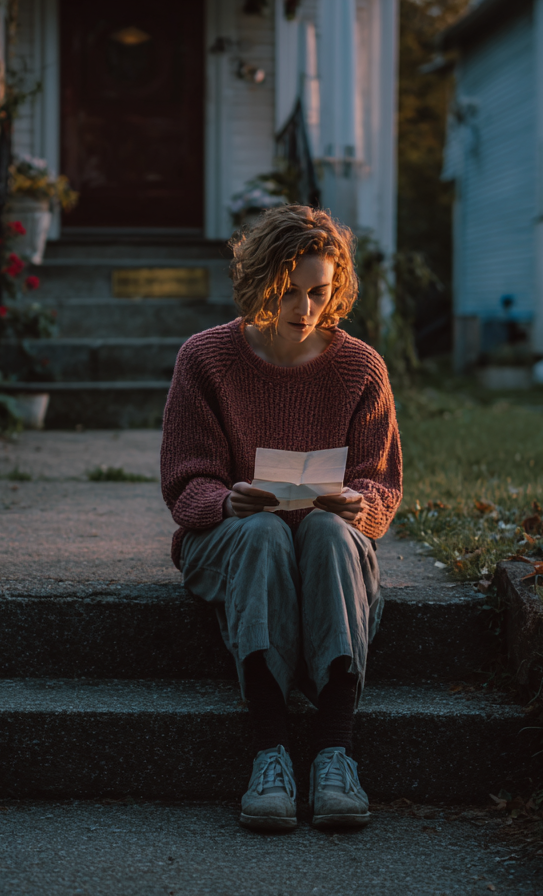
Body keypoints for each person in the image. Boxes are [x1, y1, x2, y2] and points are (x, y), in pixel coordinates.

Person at [159, 205, 402, 833]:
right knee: (265, 533)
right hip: (232, 536)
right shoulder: (206, 359)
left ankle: (334, 753)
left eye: (319, 291)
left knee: (326, 531)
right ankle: (269, 752)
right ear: (260, 281)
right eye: (288, 291)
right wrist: (224, 501)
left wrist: (359, 506)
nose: (305, 308)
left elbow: (381, 483)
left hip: (327, 541)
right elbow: (185, 480)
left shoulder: (361, 369)